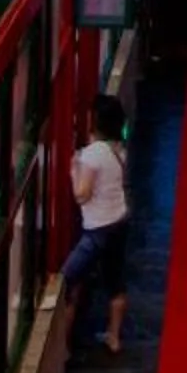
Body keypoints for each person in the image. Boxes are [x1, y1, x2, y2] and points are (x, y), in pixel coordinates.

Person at [63, 94, 131, 354]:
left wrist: (73, 170)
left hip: (96, 230)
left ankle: (64, 346)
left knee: (68, 281)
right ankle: (114, 337)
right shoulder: (119, 150)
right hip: (119, 222)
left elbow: (82, 194)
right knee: (116, 283)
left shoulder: (91, 155)